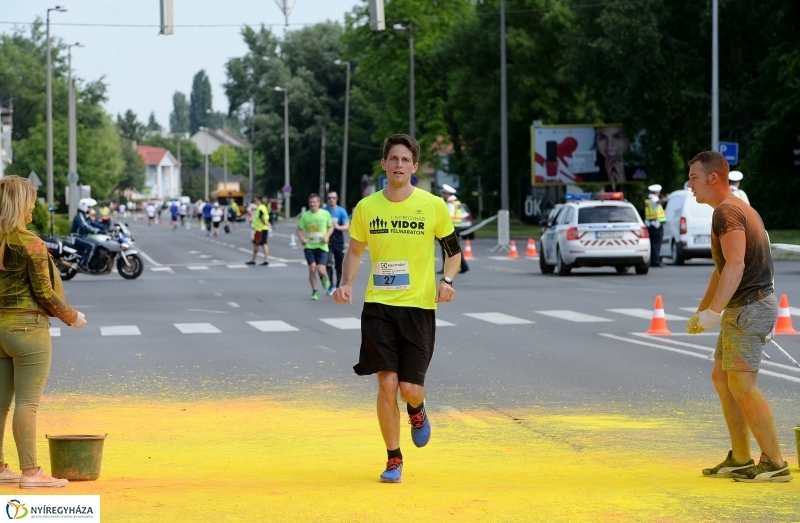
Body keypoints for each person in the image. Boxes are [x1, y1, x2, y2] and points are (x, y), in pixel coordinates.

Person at [333, 134, 460, 483]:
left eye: (406, 160)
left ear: (415, 167)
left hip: (418, 308)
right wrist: (346, 283)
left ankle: (417, 410)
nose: (399, 165)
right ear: (384, 164)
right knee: (387, 383)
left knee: (409, 389)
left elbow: (454, 251)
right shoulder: (367, 207)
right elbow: (356, 252)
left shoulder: (433, 206)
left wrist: (447, 282)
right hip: (379, 307)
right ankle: (393, 459)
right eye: (394, 159)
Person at [686, 151, 791, 483]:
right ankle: (742, 459)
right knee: (723, 379)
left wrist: (714, 313)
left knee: (742, 386)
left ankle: (775, 463)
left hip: (750, 306)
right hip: (744, 306)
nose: (690, 186)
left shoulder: (727, 212)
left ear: (713, 178)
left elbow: (735, 266)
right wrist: (704, 310)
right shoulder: (732, 209)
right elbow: (721, 272)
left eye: (693, 178)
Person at [0, 175, 86, 489]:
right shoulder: (31, 244)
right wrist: (72, 317)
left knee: (0, 404)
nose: (33, 212)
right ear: (21, 205)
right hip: (28, 330)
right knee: (27, 404)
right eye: (31, 205)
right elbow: (45, 294)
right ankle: (31, 473)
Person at [297, 194, 333, 301]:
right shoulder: (305, 216)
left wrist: (327, 236)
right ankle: (315, 291)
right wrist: (302, 239)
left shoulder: (325, 214)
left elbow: (331, 226)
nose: (312, 204)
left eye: (314, 202)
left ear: (318, 203)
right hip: (310, 246)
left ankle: (323, 277)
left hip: (322, 246)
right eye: (310, 202)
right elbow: (299, 229)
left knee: (321, 270)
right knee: (312, 268)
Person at [323, 191, 350, 296]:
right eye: (329, 197)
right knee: (328, 263)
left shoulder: (341, 211)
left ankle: (337, 286)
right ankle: (331, 285)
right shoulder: (324, 211)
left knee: (339, 266)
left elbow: (347, 226)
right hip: (327, 242)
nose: (331, 199)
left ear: (337, 199)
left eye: (333, 198)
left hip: (339, 241)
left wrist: (338, 227)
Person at [440, 184, 469, 274]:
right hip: (457, 227)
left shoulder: (450, 203)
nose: (444, 195)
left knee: (446, 248)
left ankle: (446, 268)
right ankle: (464, 266)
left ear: (447, 193)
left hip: (451, 228)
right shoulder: (456, 201)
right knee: (455, 248)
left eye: (444, 193)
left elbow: (450, 216)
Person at [71, 198, 106, 271]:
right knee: (92, 245)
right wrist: (97, 231)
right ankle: (84, 263)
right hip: (76, 237)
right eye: (90, 207)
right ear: (85, 207)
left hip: (83, 237)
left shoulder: (86, 216)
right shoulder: (79, 216)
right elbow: (85, 226)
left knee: (97, 243)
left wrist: (106, 229)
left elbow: (95, 224)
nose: (91, 209)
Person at [644, 184, 666, 267]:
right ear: (657, 192)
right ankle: (656, 261)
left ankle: (653, 260)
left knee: (652, 243)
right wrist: (663, 200)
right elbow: (656, 202)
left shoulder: (648, 199)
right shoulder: (654, 198)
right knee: (656, 244)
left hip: (649, 224)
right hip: (656, 225)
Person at [246, 196, 270, 266]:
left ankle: (265, 259)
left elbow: (262, 217)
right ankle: (254, 259)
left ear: (259, 200)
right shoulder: (261, 208)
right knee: (256, 243)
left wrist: (265, 223)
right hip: (259, 229)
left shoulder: (261, 208)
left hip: (261, 229)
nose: (254, 201)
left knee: (263, 244)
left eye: (255, 200)